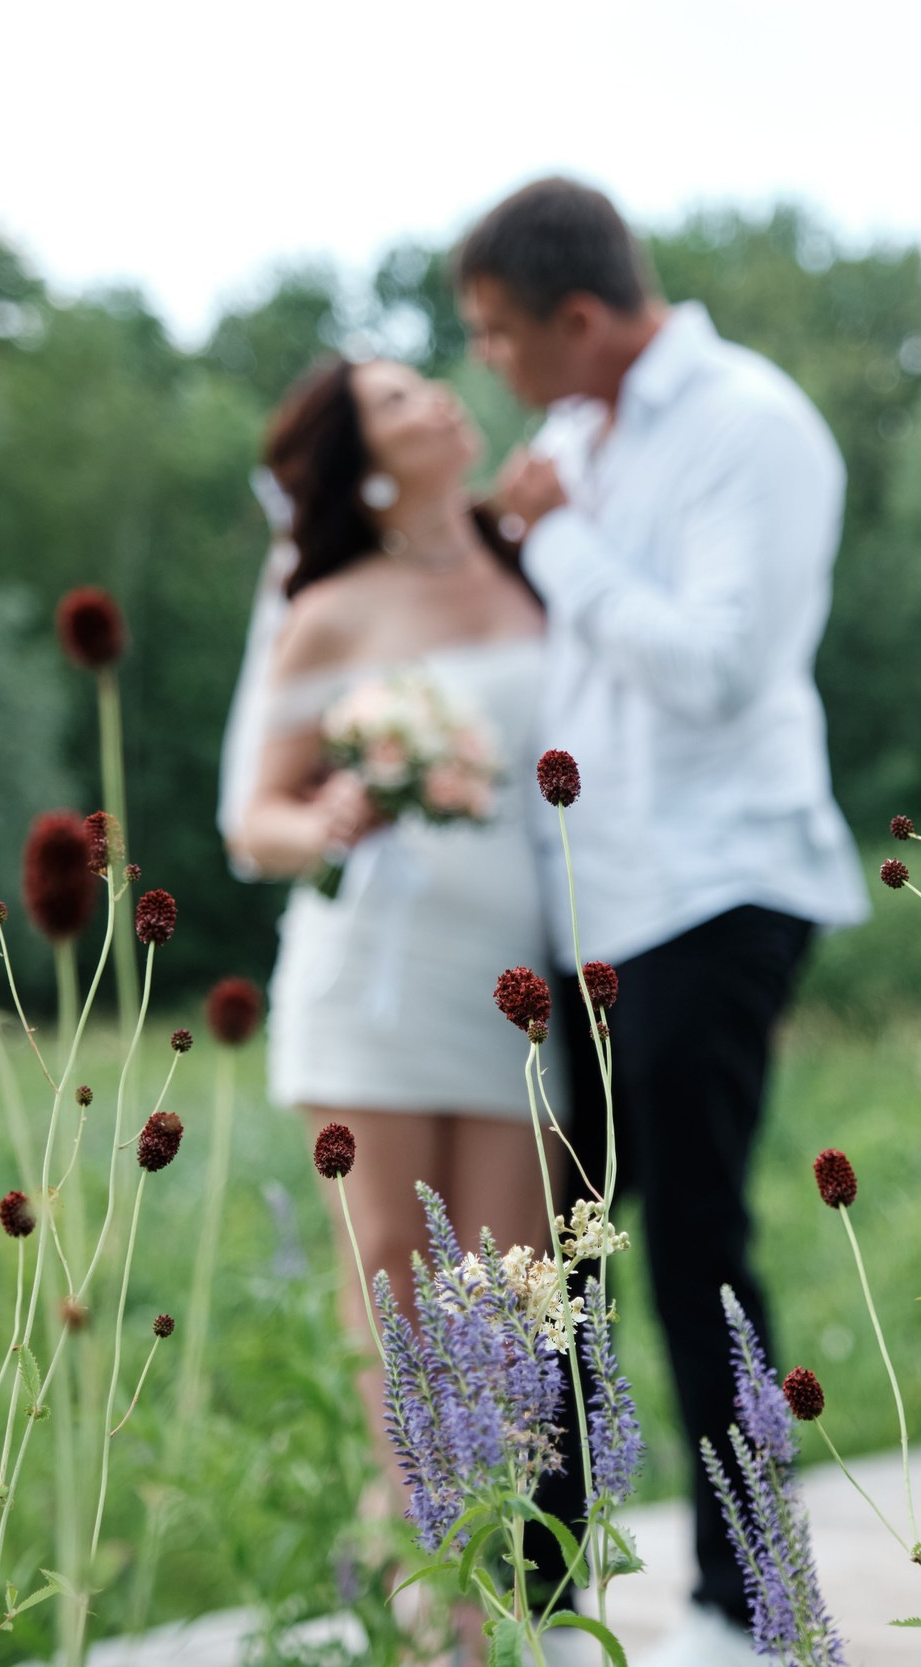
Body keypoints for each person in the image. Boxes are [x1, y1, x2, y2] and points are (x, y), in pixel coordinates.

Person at [458, 176, 868, 1664]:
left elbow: (720, 667)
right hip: (595, 902)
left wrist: (557, 542)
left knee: (694, 1233)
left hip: (723, 884)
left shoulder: (753, 426)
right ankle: (551, 1604)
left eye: (500, 335)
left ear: (578, 317)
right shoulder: (570, 440)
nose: (489, 363)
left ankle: (753, 1609)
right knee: (569, 1248)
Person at [217, 355, 555, 1575]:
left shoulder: (530, 559)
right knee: (397, 1308)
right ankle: (427, 1616)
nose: (442, 400)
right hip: (375, 983)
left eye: (430, 383)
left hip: (518, 986)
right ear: (364, 461)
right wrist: (334, 818)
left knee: (509, 1310)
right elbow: (256, 821)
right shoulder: (332, 609)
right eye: (402, 400)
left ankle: (492, 1603)